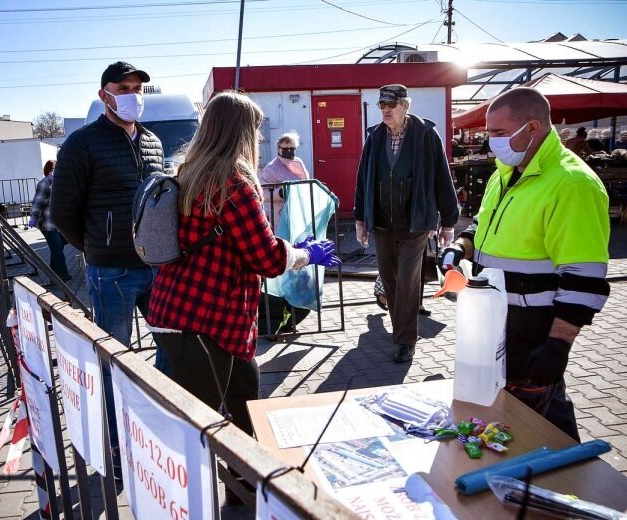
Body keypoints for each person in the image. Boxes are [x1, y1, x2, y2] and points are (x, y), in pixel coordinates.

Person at [146, 91, 339, 503]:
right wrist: (305, 254)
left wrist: (289, 247)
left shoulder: (188, 172)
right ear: (240, 133)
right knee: (203, 422)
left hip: (175, 312)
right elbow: (265, 258)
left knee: (243, 398)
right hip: (206, 321)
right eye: (254, 128)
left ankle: (242, 490)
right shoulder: (234, 182)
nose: (260, 137)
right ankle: (194, 498)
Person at [439, 87, 610, 441]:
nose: (492, 143)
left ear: (532, 128)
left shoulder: (572, 184)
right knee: (507, 422)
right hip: (495, 325)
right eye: (489, 133)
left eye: (499, 133)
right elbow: (483, 225)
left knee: (545, 425)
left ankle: (573, 484)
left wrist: (558, 345)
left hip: (533, 333)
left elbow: (584, 277)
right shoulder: (507, 170)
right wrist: (461, 246)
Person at [51, 61, 164, 480]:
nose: (133, 94)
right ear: (105, 95)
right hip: (111, 272)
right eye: (125, 87)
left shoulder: (151, 141)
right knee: (114, 359)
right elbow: (62, 210)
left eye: (138, 87)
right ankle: (117, 449)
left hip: (156, 266)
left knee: (172, 348)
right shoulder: (82, 144)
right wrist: (95, 248)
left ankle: (154, 432)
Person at [354, 84, 459, 364]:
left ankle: (405, 340)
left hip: (416, 224)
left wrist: (448, 221)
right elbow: (363, 178)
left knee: (407, 282)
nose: (386, 110)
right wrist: (360, 219)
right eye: (381, 105)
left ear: (406, 105)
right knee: (389, 279)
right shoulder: (375, 137)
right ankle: (400, 329)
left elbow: (441, 177)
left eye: (391, 104)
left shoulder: (425, 134)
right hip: (382, 223)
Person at [258, 130, 310, 228]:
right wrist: (281, 193)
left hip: (300, 210)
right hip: (281, 213)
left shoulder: (298, 162)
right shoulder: (271, 167)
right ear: (279, 149)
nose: (289, 151)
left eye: (292, 148)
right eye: (286, 148)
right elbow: (263, 193)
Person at [29, 160, 70, 281]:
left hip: (58, 224)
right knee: (57, 247)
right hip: (47, 224)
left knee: (58, 245)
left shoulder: (60, 183)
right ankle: (62, 274)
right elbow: (38, 202)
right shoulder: (45, 183)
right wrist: (33, 217)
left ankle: (53, 272)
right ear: (51, 170)